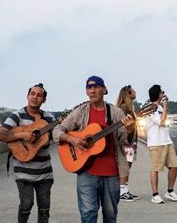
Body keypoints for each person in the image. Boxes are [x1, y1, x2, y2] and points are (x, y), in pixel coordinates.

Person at [53, 75, 133, 223]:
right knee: (88, 215)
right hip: (86, 173)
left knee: (110, 216)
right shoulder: (81, 111)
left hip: (111, 174)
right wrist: (73, 139)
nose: (92, 91)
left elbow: (123, 140)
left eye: (96, 87)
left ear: (104, 89)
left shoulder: (115, 113)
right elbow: (57, 131)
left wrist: (129, 128)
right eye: (89, 87)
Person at [0, 83, 56, 223]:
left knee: (44, 210)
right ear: (27, 96)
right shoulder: (17, 115)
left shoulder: (49, 118)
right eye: (32, 94)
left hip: (45, 171)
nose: (35, 97)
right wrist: (22, 135)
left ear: (44, 100)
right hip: (23, 171)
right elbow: (0, 135)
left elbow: (57, 135)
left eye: (39, 95)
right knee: (26, 204)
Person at [144, 84, 177, 204]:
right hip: (156, 143)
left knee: (173, 167)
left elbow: (165, 125)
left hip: (166, 141)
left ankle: (170, 191)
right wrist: (166, 106)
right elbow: (161, 122)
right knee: (155, 169)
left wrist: (171, 140)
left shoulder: (159, 107)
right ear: (157, 94)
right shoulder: (150, 108)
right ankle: (155, 194)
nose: (164, 94)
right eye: (162, 92)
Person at [116, 85, 141, 202]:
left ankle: (124, 189)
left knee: (128, 165)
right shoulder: (124, 107)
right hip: (126, 141)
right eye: (133, 91)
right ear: (128, 94)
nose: (135, 92)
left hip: (130, 140)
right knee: (125, 166)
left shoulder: (129, 107)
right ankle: (122, 191)